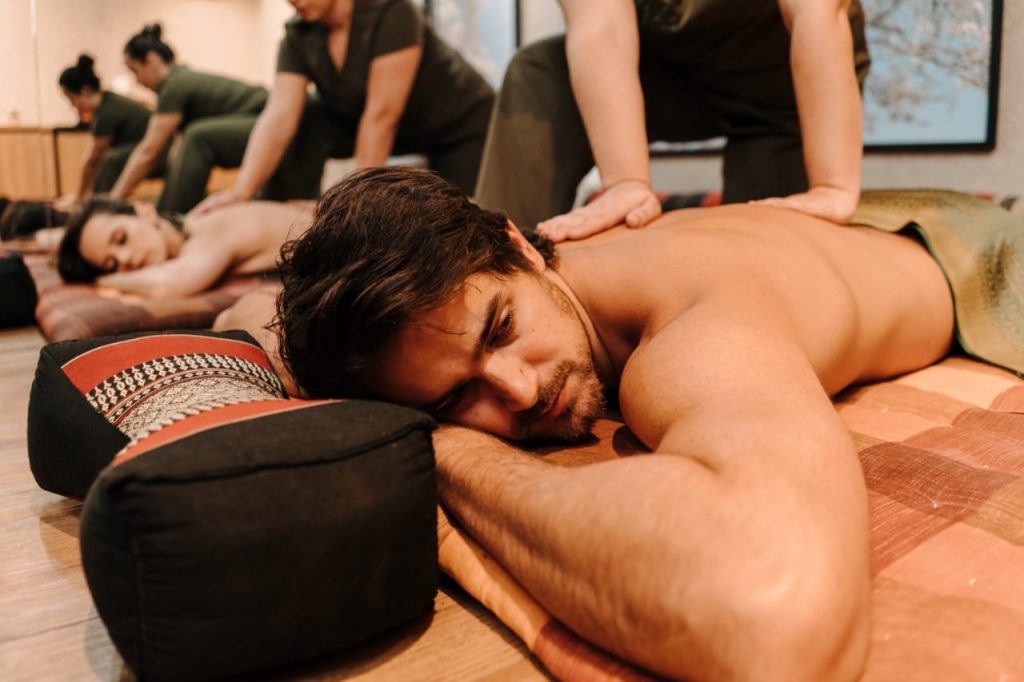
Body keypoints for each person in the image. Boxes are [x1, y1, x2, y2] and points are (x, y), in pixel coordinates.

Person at [259, 167, 1023, 680]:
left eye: (500, 328)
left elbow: (780, 616)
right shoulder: (570, 249)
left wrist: (449, 446)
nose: (519, 391)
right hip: (893, 217)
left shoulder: (691, 339)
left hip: (986, 263)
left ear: (521, 247)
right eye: (455, 398)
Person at [474, 0, 872, 242]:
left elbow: (817, 12)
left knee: (764, 250)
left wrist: (831, 186)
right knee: (539, 72)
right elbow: (602, 29)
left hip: (784, 89)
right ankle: (491, 265)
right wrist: (626, 182)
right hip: (674, 72)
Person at [191, 0, 494, 215]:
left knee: (456, 219)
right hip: (403, 127)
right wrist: (242, 191)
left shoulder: (391, 11)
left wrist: (352, 206)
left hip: (460, 122)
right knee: (310, 115)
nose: (291, 1)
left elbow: (381, 118)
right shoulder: (299, 35)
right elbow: (279, 116)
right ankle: (283, 213)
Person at [109, 24, 271, 214]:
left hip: (269, 122)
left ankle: (173, 218)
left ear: (152, 59)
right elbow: (174, 157)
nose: (137, 81)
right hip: (261, 122)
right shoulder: (178, 81)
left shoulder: (174, 87)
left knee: (197, 136)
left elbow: (149, 151)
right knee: (189, 143)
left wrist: (114, 199)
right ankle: (168, 215)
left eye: (135, 72)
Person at [57, 196, 312, 300]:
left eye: (121, 239)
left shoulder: (211, 230)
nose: (125, 259)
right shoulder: (193, 230)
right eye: (112, 264)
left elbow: (169, 285)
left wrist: (107, 280)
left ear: (144, 211)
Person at [58, 54, 165, 202]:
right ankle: (99, 202)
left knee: (110, 161)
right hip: (158, 153)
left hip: (161, 156)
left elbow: (92, 160)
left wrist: (78, 197)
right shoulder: (108, 101)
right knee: (109, 161)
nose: (73, 106)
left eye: (71, 99)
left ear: (84, 91)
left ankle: (99, 206)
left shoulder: (107, 113)